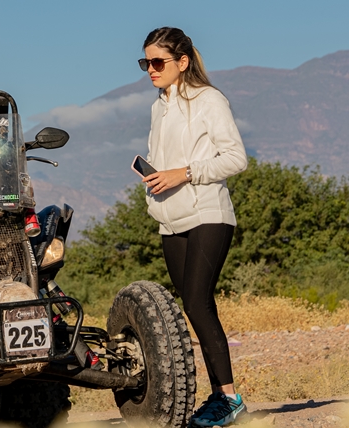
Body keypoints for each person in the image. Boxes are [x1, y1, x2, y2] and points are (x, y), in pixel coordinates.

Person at [138, 27, 248, 427]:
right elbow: (162, 160)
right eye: (145, 62)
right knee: (193, 306)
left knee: (197, 302)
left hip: (208, 214)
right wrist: (154, 181)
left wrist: (183, 173)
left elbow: (236, 158)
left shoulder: (209, 100)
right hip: (171, 220)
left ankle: (230, 399)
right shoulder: (158, 107)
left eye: (157, 61)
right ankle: (218, 397)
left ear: (182, 62)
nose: (150, 69)